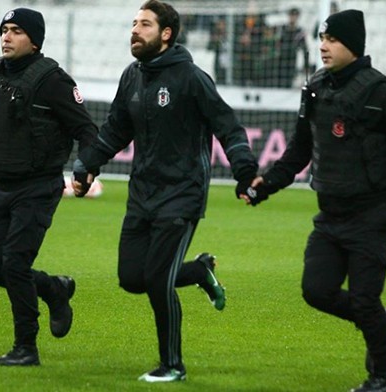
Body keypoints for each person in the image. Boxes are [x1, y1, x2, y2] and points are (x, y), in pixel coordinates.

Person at [239, 10, 386, 392]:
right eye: (321, 39)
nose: (323, 46)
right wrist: (263, 187)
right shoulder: (316, 87)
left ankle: (384, 379)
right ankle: (384, 322)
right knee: (315, 291)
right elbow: (298, 152)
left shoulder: (382, 92)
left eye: (332, 40)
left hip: (375, 212)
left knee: (365, 298)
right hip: (331, 213)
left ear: (353, 45)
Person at [72, 0, 258, 382]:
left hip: (182, 194)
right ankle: (200, 272)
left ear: (166, 34)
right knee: (131, 278)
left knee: (157, 280)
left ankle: (172, 365)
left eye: (144, 24)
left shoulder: (192, 78)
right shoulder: (131, 76)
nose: (135, 30)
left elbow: (228, 126)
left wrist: (244, 169)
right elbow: (115, 130)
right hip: (142, 193)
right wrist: (88, 164)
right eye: (133, 23)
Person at [0, 7, 98, 366]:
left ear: (35, 41)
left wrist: (86, 169)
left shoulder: (54, 80)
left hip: (38, 187)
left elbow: (87, 130)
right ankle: (54, 289)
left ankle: (26, 347)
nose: (6, 37)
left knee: (14, 262)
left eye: (16, 31)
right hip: (1, 188)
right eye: (4, 30)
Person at [277, 7, 308, 88]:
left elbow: (304, 48)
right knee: (279, 81)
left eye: (295, 16)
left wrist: (306, 64)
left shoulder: (299, 31)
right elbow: (278, 43)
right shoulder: (283, 29)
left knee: (288, 82)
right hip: (280, 59)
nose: (293, 18)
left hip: (292, 60)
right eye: (291, 15)